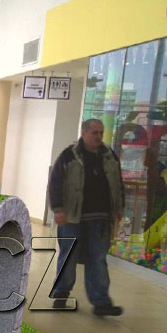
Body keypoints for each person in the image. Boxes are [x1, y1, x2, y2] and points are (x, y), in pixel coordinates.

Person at [47, 118, 125, 316]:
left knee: (98, 259)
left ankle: (101, 302)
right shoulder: (69, 155)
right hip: (72, 217)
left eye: (101, 133)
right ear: (84, 133)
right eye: (94, 132)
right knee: (69, 256)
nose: (98, 136)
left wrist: (119, 207)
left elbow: (118, 183)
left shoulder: (110, 156)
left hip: (101, 218)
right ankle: (61, 293)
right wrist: (58, 209)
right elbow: (55, 182)